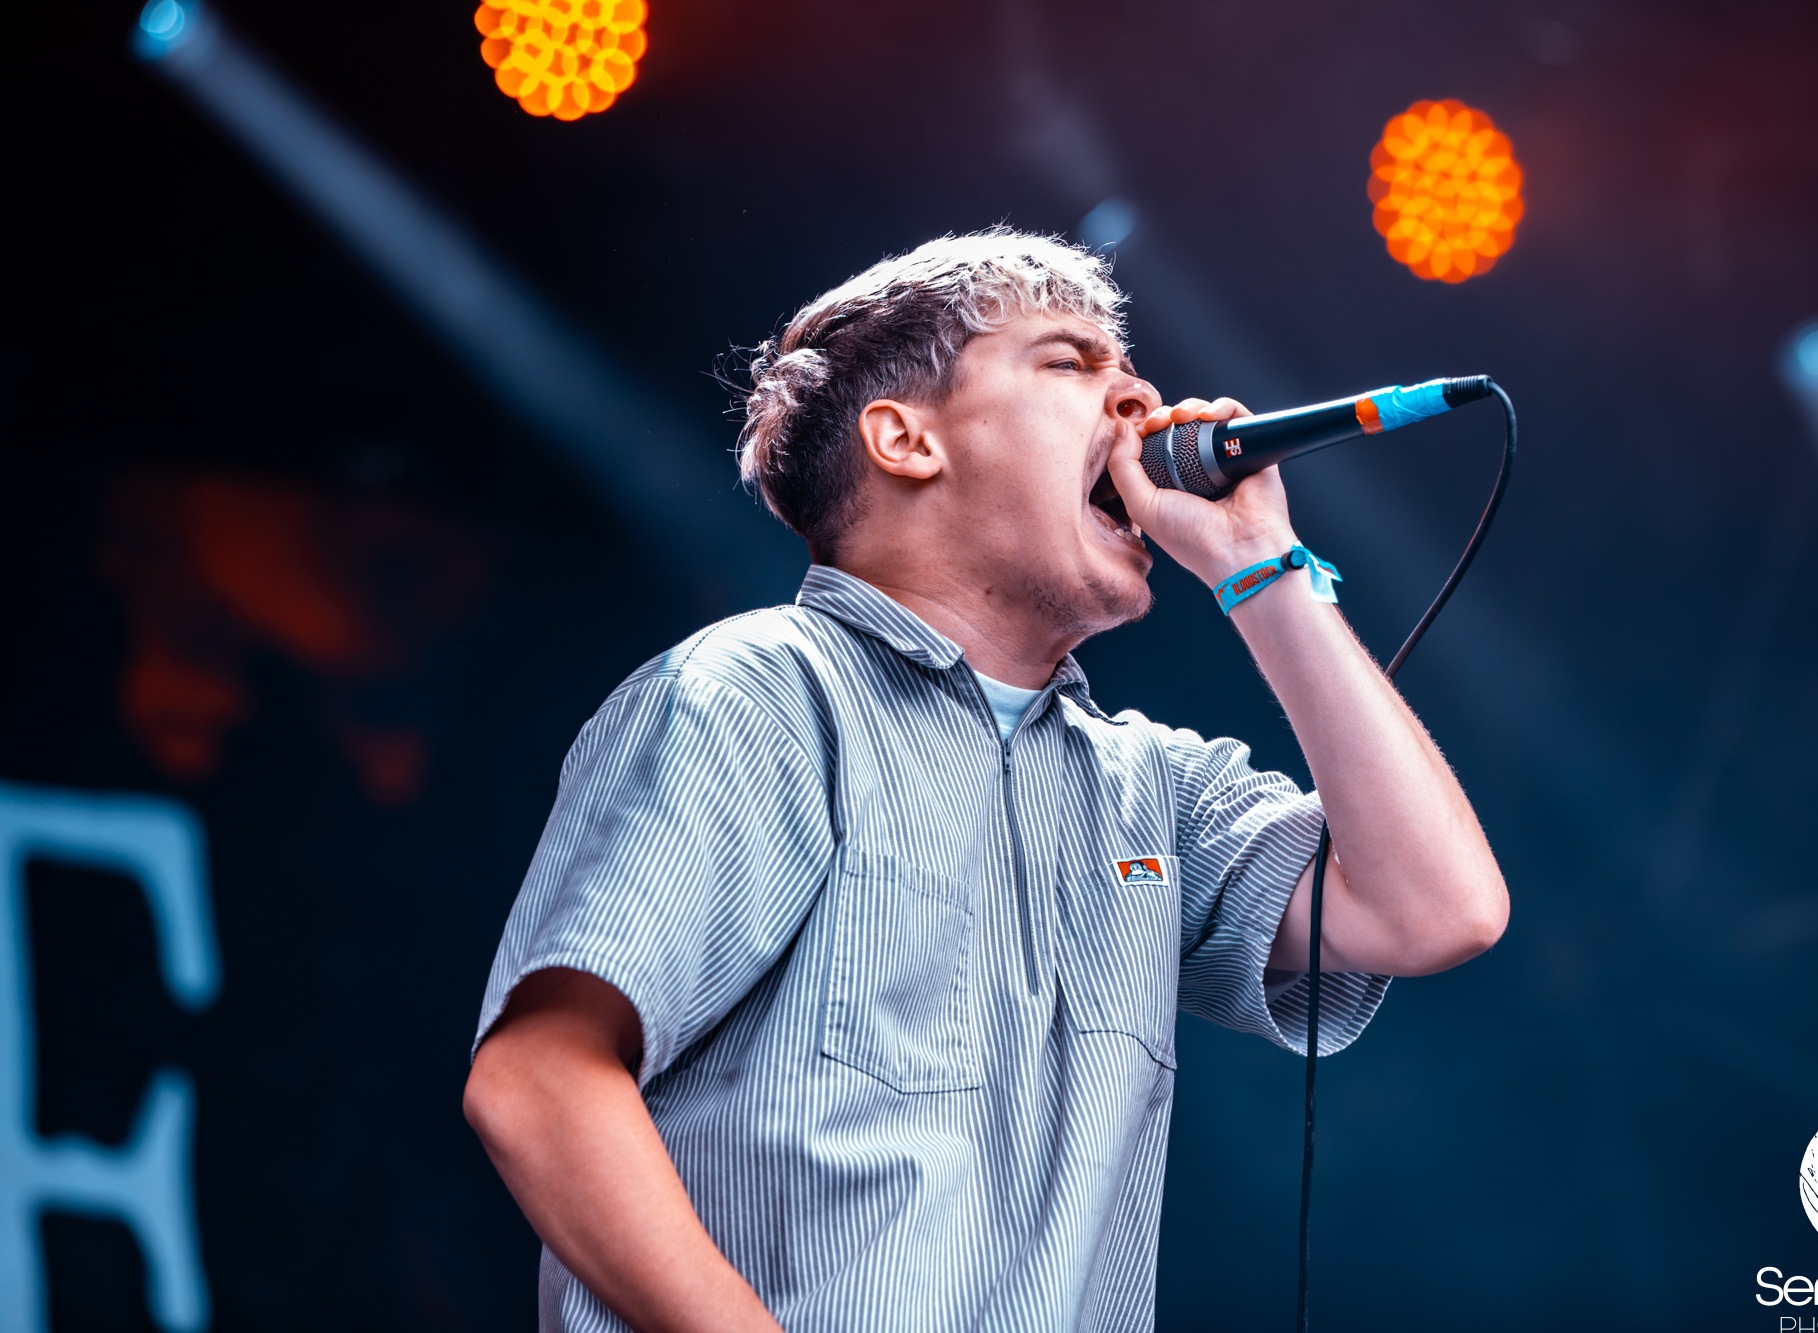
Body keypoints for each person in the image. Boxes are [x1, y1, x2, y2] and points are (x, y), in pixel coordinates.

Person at [462, 229, 1508, 1333]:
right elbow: (538, 1079)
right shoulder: (757, 693)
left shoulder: (1147, 787)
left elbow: (1437, 908)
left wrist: (1264, 570)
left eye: (1129, 369)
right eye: (1069, 361)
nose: (1140, 402)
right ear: (906, 439)